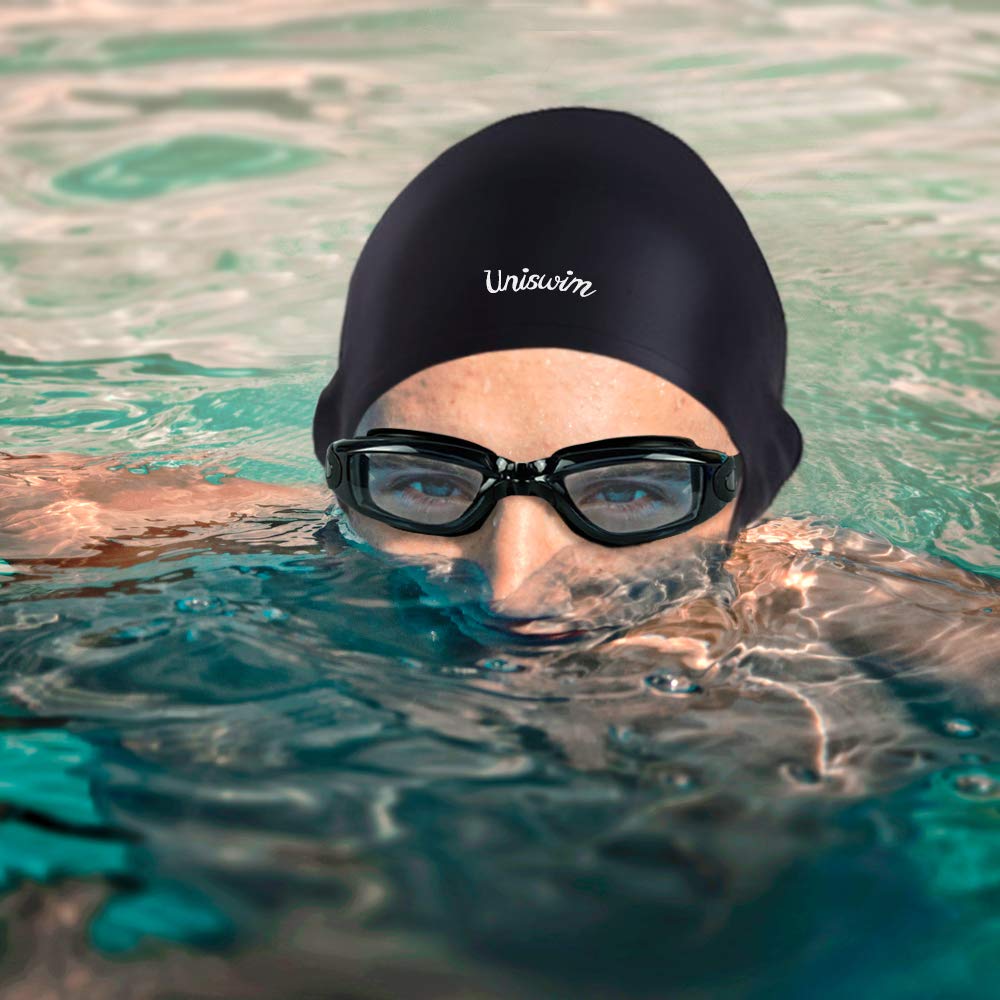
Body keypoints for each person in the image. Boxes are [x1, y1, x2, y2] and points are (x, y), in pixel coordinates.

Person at [2, 107, 996, 701]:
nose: (512, 591)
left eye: (629, 492)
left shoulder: (890, 635)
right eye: (428, 483)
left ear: (756, 486)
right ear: (337, 464)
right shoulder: (186, 544)